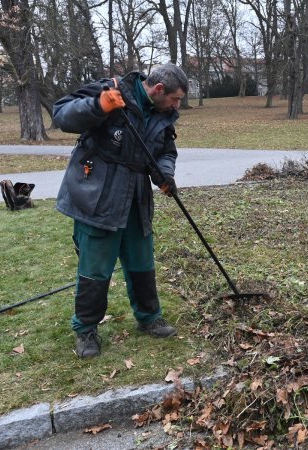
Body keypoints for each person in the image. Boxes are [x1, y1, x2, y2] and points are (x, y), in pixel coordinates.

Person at [53, 63, 188, 358]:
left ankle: (149, 318)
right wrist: (98, 106)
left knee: (141, 260)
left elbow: (165, 151)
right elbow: (61, 114)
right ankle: (86, 329)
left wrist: (164, 175)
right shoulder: (111, 89)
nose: (178, 105)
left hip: (136, 196)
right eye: (176, 99)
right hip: (99, 195)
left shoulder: (163, 113)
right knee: (96, 267)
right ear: (158, 90)